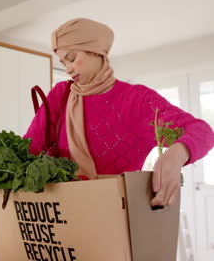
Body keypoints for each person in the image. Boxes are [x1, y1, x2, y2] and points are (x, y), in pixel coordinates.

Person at [23, 18, 214, 207]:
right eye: (63, 62)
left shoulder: (138, 100)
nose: (67, 68)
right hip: (61, 216)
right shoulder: (60, 95)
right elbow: (29, 150)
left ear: (97, 52)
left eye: (72, 58)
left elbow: (202, 131)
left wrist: (177, 154)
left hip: (118, 218)